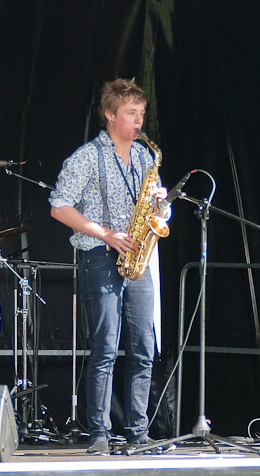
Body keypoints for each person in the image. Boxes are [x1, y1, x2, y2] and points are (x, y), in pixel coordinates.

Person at [50, 78, 166, 455]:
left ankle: (138, 431)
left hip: (138, 258)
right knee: (105, 347)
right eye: (131, 113)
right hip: (100, 256)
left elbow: (158, 212)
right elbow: (59, 206)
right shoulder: (86, 156)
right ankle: (99, 431)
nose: (139, 120)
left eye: (141, 113)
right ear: (110, 115)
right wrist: (106, 234)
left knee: (144, 347)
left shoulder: (146, 158)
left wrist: (161, 205)